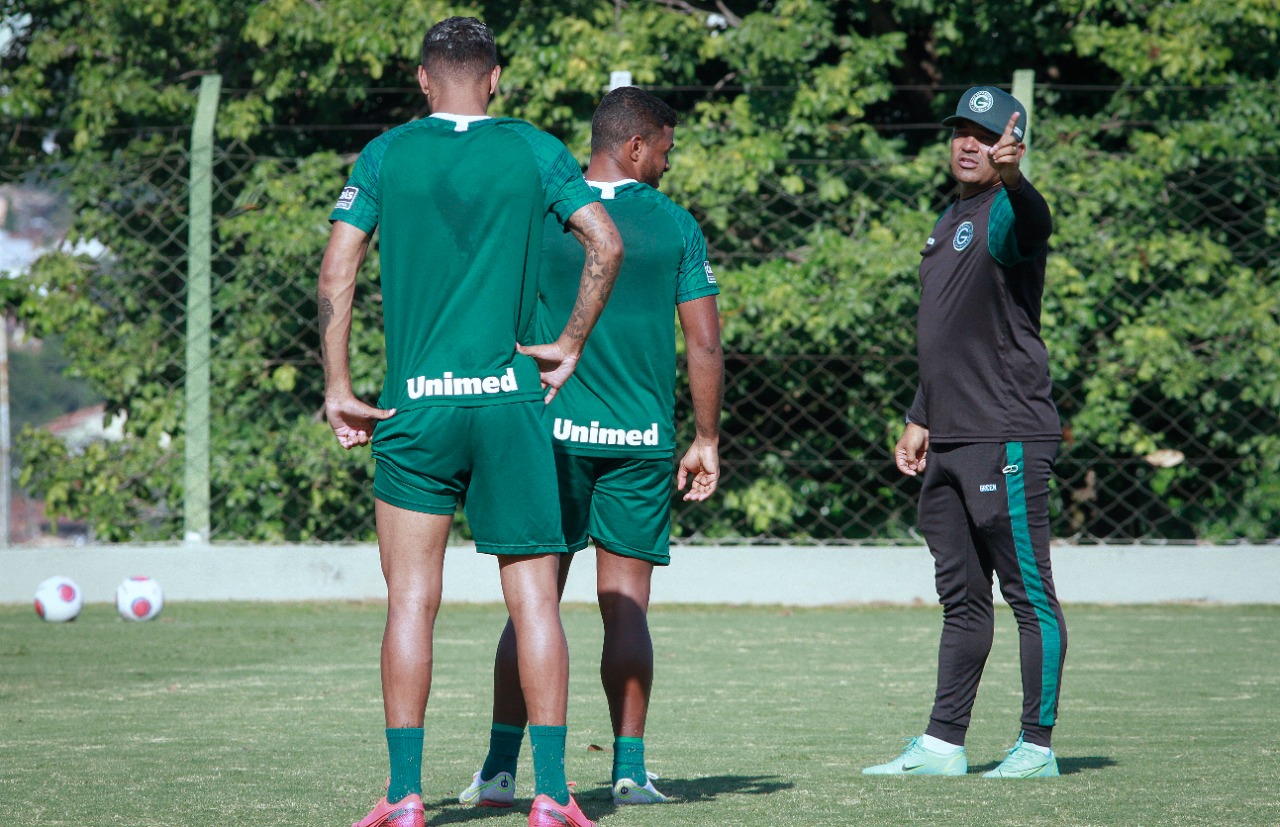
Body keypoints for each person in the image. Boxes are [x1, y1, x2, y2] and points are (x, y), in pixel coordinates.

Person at [318, 17, 623, 827]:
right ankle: (554, 795)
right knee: (536, 605)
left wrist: (339, 385)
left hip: (415, 408)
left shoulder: (387, 153)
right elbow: (607, 241)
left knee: (411, 601)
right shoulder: (532, 148)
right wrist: (568, 344)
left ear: (424, 79)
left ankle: (406, 794)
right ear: (496, 79)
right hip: (510, 405)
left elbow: (337, 267)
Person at [457, 86, 723, 809]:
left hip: (547, 434)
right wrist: (705, 437)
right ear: (635, 145)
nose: (668, 164)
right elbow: (703, 339)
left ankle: (501, 769)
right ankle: (630, 771)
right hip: (639, 440)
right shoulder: (674, 225)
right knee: (627, 604)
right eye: (665, 150)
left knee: (532, 606)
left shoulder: (548, 209)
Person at [863, 86, 1067, 779]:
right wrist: (920, 414)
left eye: (984, 134)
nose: (968, 142)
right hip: (948, 437)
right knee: (961, 599)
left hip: (1005, 433)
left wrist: (1017, 178)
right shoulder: (951, 215)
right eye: (960, 130)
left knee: (1028, 594)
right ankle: (944, 744)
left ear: (1010, 145)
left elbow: (1035, 218)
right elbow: (947, 334)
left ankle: (1036, 746)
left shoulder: (1010, 211)